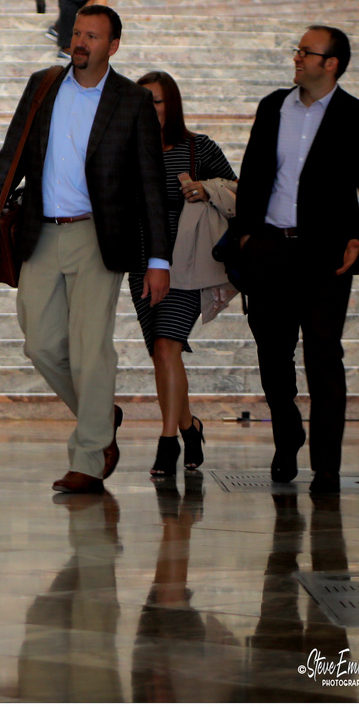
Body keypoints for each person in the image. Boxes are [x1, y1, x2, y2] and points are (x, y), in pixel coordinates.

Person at [0, 5, 171, 495]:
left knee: (89, 350)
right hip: (40, 231)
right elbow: (10, 153)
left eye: (92, 36)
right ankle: (101, 414)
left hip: (97, 238)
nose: (81, 42)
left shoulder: (132, 101)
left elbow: (150, 184)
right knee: (40, 343)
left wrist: (158, 260)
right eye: (77, 33)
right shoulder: (43, 85)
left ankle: (89, 455)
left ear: (113, 46)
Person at [233, 26, 359, 494]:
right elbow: (253, 172)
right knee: (273, 354)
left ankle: (326, 465)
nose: (297, 58)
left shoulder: (358, 116)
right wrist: (245, 236)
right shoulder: (272, 106)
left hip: (326, 258)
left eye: (307, 52)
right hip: (270, 250)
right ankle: (287, 437)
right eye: (297, 49)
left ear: (331, 64)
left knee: (324, 355)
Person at [127, 71, 238, 476]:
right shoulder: (127, 148)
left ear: (171, 103)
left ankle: (167, 441)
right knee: (161, 353)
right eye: (142, 100)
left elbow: (239, 189)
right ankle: (190, 427)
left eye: (155, 100)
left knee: (168, 346)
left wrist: (207, 189)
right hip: (141, 263)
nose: (148, 107)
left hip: (187, 263)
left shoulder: (197, 147)